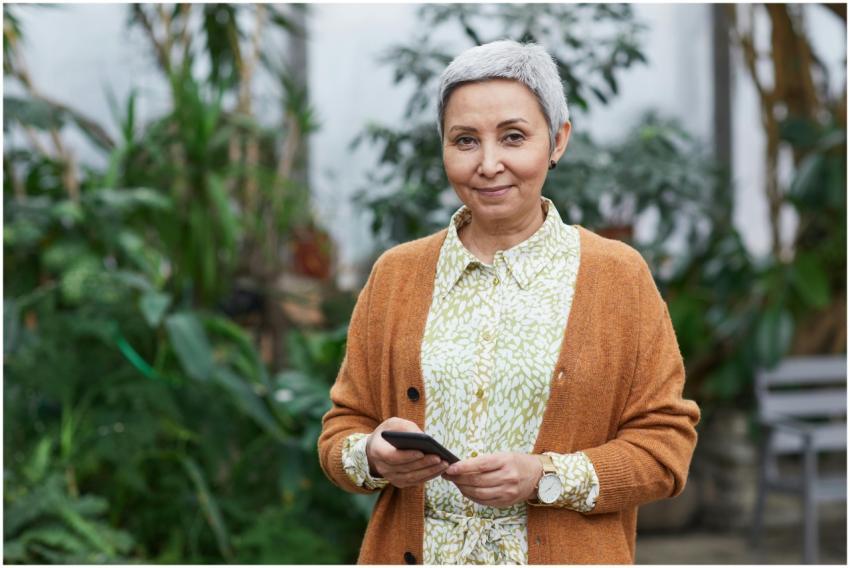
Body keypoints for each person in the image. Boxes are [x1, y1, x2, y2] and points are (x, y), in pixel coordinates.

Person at [318, 39, 700, 565]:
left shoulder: (616, 277)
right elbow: (342, 428)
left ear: (558, 141)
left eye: (514, 137)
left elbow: (666, 449)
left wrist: (545, 475)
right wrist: (372, 457)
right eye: (465, 140)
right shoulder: (396, 275)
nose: (489, 163)